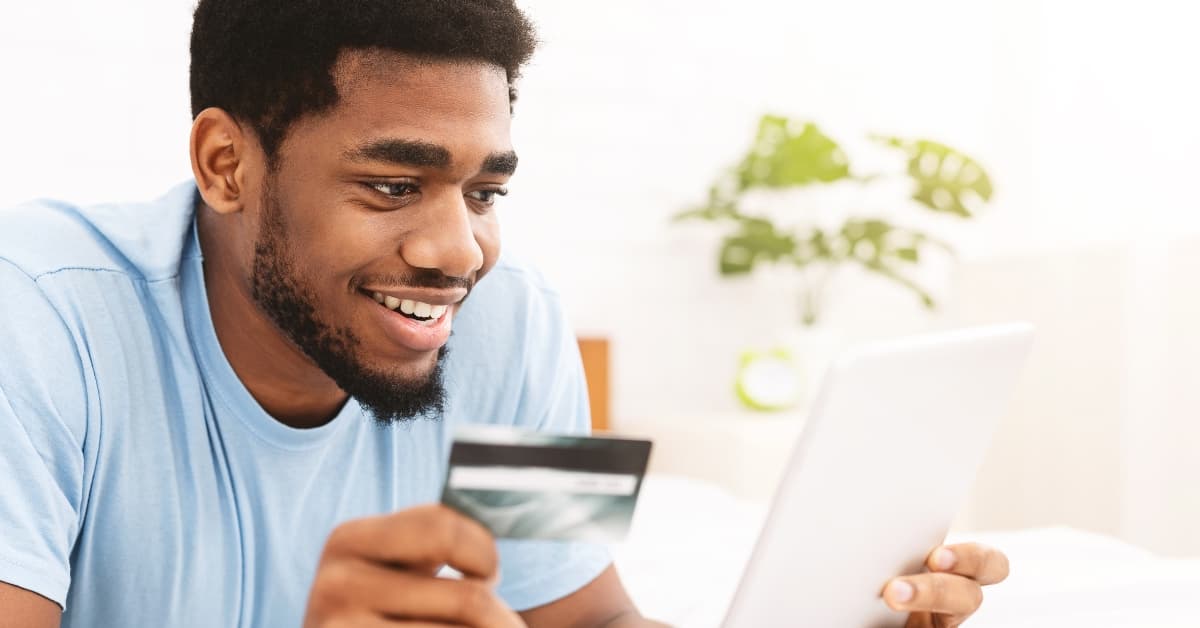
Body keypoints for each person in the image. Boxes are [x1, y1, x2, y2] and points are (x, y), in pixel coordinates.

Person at [0, 1, 1009, 626]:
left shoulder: (517, 318)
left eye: (485, 191)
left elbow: (592, 619)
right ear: (226, 164)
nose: (460, 252)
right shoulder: (35, 314)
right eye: (394, 185)